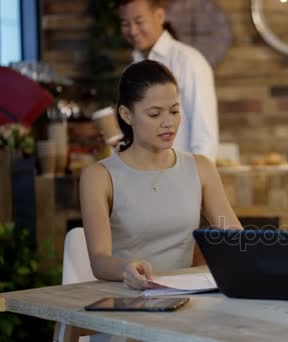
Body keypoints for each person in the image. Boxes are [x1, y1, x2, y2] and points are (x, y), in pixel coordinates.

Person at [80, 60, 242, 290]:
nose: (169, 123)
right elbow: (99, 260)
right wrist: (125, 269)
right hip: (128, 298)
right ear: (126, 115)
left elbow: (234, 236)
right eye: (154, 114)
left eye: (174, 111)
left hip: (187, 297)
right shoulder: (99, 176)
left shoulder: (200, 167)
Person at [117, 0, 218, 160]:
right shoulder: (131, 68)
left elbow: (205, 134)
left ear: (159, 16)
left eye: (139, 21)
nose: (133, 31)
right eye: (125, 24)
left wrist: (197, 179)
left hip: (181, 175)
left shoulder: (189, 61)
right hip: (143, 176)